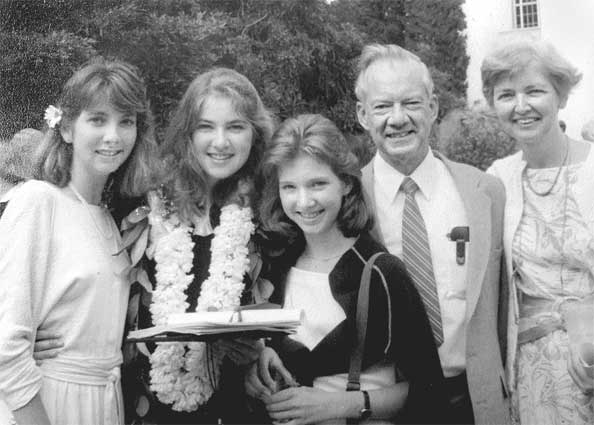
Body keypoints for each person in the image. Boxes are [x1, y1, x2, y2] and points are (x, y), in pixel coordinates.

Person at [245, 113, 445, 424]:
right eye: (290, 187)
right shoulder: (275, 268)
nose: (304, 202)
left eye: (317, 184)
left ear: (346, 184)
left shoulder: (381, 272)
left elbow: (429, 391)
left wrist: (340, 404)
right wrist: (256, 364)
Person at [355, 44, 510, 424]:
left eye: (411, 103)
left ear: (433, 107)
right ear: (362, 115)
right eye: (382, 106)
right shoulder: (348, 202)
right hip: (389, 406)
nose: (398, 119)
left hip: (476, 401)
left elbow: (506, 305)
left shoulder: (485, 192)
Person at [0, 58, 157, 425]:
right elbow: (6, 343)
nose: (113, 136)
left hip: (104, 402)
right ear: (67, 128)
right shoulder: (38, 201)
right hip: (47, 401)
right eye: (98, 120)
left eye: (126, 121)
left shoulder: (110, 218)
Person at [121, 67, 275, 424]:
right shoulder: (145, 203)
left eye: (235, 127)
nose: (220, 142)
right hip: (143, 407)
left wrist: (259, 348)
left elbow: (274, 305)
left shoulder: (266, 214)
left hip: (233, 409)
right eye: (206, 127)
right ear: (187, 132)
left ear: (255, 134)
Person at [482, 38, 593, 424]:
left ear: (560, 94)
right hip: (534, 373)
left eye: (534, 91)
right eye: (506, 95)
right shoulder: (498, 179)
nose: (521, 106)